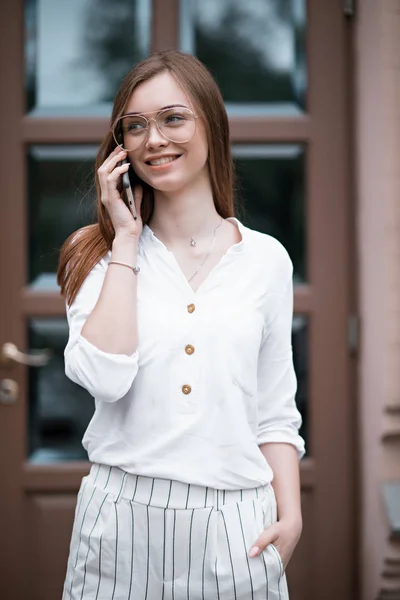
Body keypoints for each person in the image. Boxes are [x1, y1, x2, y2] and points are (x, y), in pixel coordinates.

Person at [58, 49, 305, 600]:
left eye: (174, 118)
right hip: (120, 520)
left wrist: (291, 515)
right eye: (136, 126)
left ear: (211, 125)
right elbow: (104, 376)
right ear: (121, 147)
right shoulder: (94, 253)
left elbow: (274, 408)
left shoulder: (267, 260)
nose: (155, 139)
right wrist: (124, 241)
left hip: (238, 525)